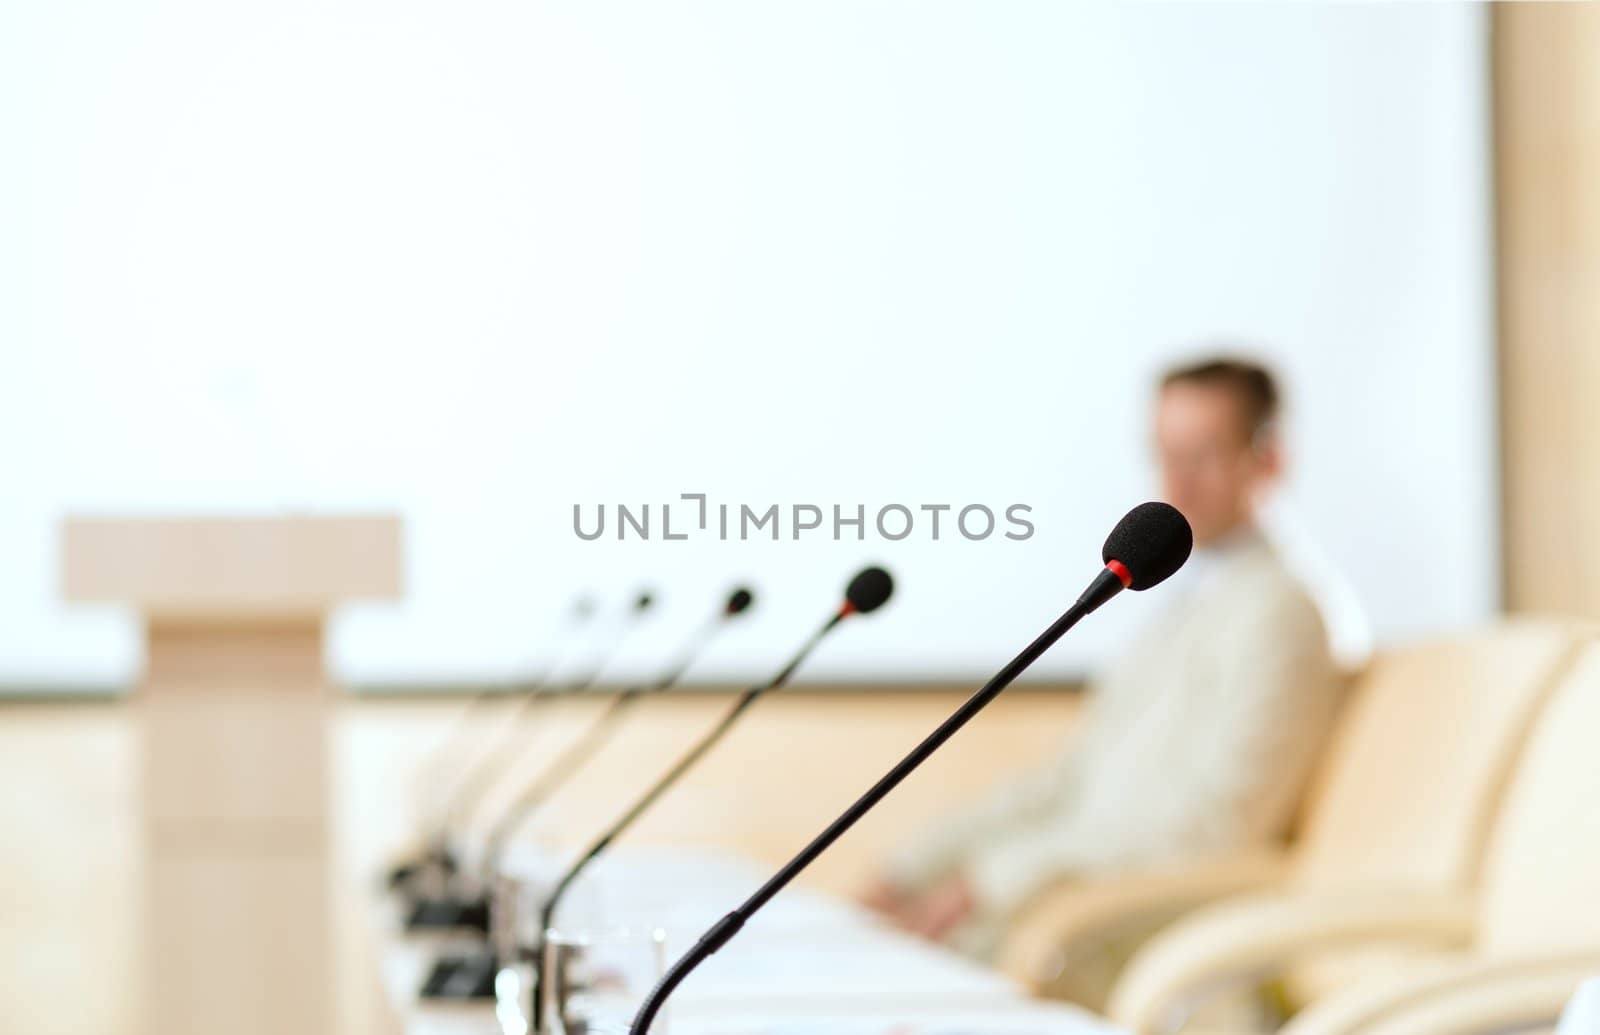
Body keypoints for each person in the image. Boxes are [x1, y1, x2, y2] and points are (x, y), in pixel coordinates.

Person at [862, 357, 1344, 968]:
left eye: (1203, 456)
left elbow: (1217, 830)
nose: (1177, 483)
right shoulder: (1184, 605)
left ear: (1268, 459)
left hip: (1126, 935)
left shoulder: (1281, 615)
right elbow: (1067, 784)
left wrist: (995, 880)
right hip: (1061, 911)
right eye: (1165, 455)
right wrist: (913, 867)